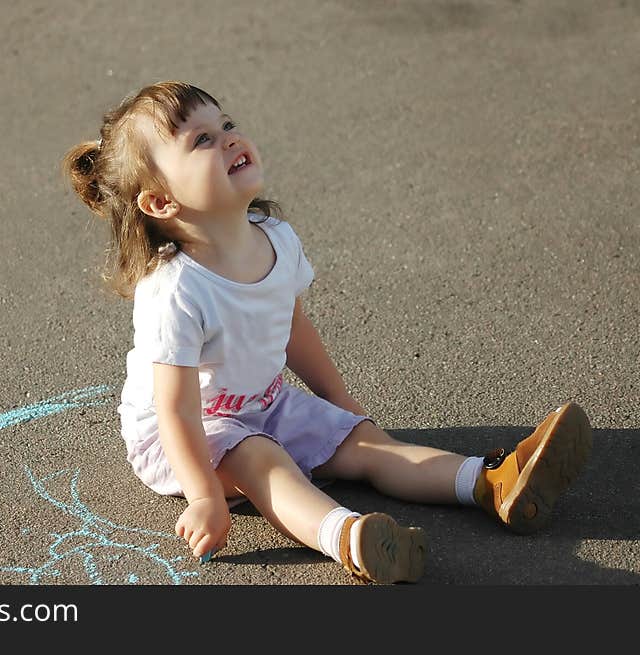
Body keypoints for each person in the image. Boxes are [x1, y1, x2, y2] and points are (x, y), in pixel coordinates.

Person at [61, 81, 593, 584]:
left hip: (264, 403)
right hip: (186, 435)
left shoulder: (275, 240)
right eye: (202, 139)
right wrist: (204, 495)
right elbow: (175, 408)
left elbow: (292, 328)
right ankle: (351, 539)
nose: (229, 139)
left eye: (225, 124)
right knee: (259, 458)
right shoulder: (175, 289)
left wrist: (342, 407)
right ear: (159, 203)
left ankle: (492, 482)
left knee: (367, 445)